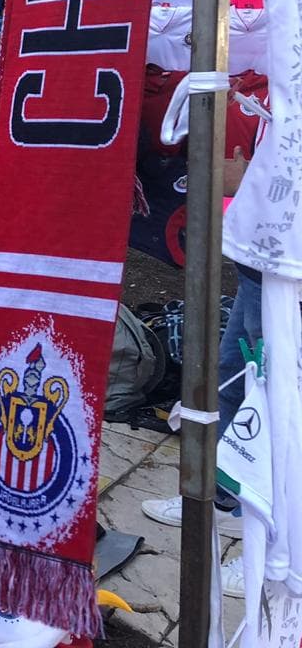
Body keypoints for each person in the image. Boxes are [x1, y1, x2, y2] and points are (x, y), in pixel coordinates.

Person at [141, 148, 256, 597]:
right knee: (229, 381)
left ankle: (273, 548)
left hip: (288, 275)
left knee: (281, 406)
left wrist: (239, 171)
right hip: (258, 270)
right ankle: (223, 499)